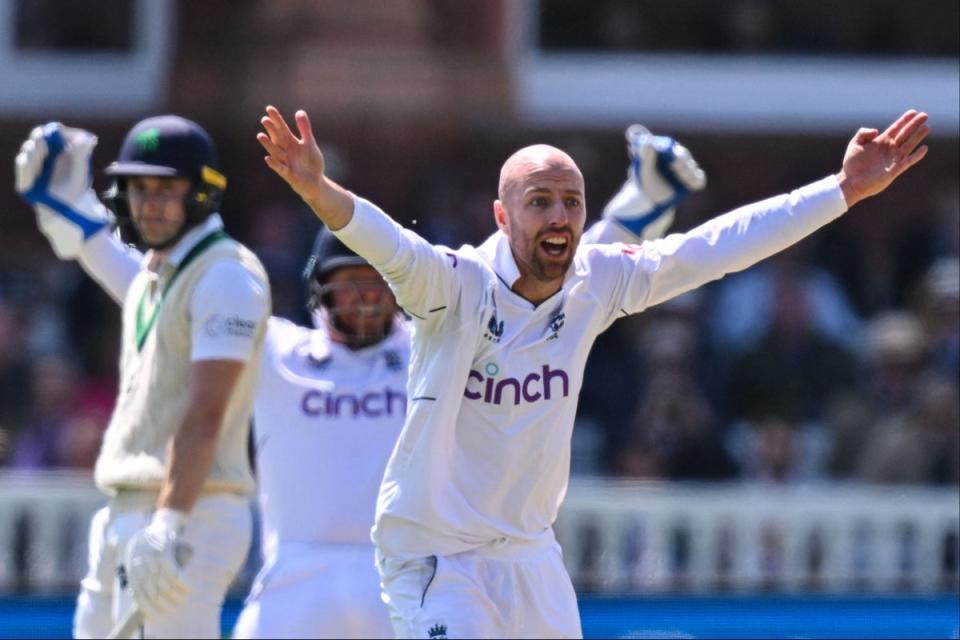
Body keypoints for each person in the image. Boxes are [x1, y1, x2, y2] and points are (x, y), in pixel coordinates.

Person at [17, 116, 706, 637]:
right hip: (295, 581)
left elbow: (564, 285)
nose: (365, 297)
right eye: (347, 285)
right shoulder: (282, 355)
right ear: (318, 291)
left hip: (402, 574)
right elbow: (163, 294)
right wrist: (73, 220)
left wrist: (644, 201)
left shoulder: (433, 338)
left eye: (376, 285)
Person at [258, 105, 929, 638]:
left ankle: (649, 192)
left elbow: (717, 249)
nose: (559, 216)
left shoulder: (597, 279)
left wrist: (843, 190)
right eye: (540, 201)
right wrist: (317, 188)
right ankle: (650, 189)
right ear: (501, 213)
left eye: (571, 202)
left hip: (530, 556)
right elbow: (388, 244)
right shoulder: (454, 286)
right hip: (437, 558)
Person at [15, 116, 272, 639]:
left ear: (202, 193)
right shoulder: (161, 276)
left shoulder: (226, 275)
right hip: (130, 507)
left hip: (191, 510)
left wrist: (170, 523)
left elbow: (205, 414)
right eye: (138, 188)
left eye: (166, 189)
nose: (149, 203)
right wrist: (62, 206)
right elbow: (104, 254)